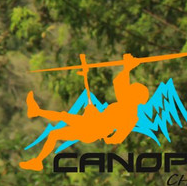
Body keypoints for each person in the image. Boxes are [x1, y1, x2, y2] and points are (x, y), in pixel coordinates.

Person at [19, 53, 150, 171]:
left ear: (137, 97)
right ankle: (37, 159)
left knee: (58, 128)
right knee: (57, 129)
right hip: (92, 124)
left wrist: (127, 67)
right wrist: (127, 67)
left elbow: (117, 138)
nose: (129, 92)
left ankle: (36, 114)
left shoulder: (130, 114)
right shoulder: (124, 104)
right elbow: (119, 83)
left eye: (132, 91)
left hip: (93, 130)